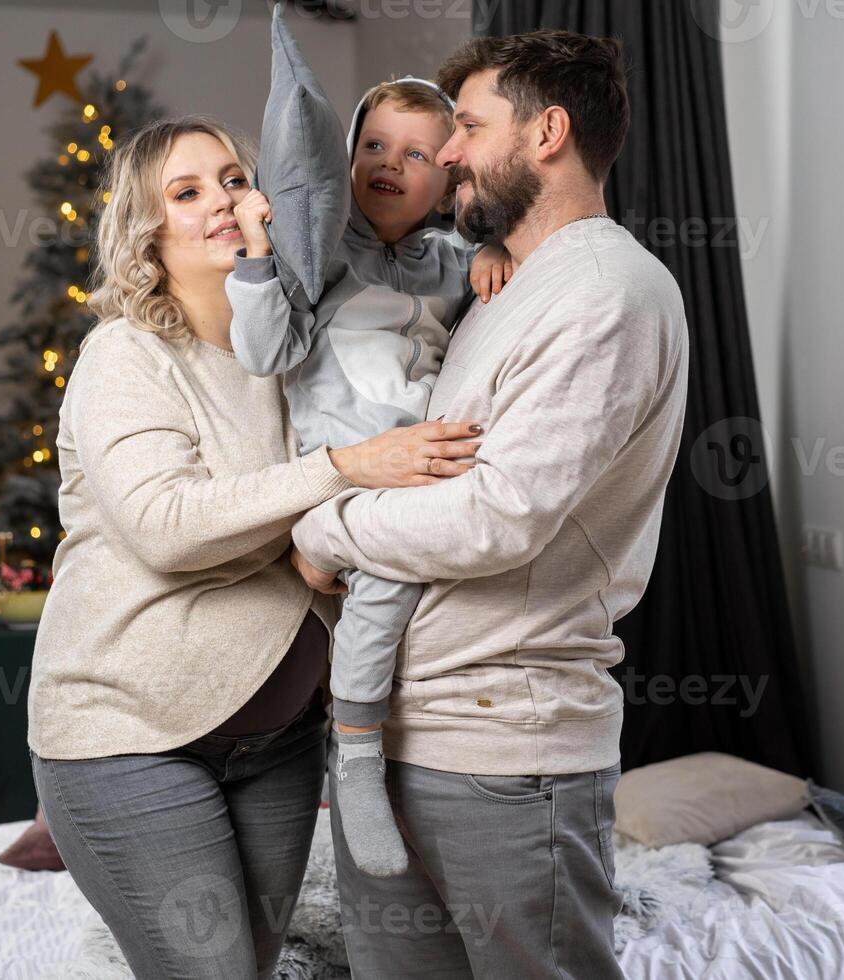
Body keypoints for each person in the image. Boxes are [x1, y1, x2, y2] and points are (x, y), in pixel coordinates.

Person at [25, 114, 482, 980]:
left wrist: (486, 257)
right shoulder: (125, 358)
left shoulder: (295, 349)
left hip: (277, 745)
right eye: (187, 192)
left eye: (234, 179)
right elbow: (169, 526)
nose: (222, 202)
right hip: (129, 741)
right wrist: (342, 469)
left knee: (252, 967)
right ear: (147, 231)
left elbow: (334, 526)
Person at [288, 30, 691, 978]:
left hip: (508, 749)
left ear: (548, 132)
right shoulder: (503, 289)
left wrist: (321, 521)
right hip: (399, 735)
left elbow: (495, 517)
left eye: (468, 125)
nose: (450, 151)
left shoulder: (604, 292)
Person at [226, 3, 510, 879]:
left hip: (419, 470)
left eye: (417, 154)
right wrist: (261, 258)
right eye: (374, 148)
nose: (390, 165)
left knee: (447, 584)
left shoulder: (444, 261)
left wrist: (499, 249)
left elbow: (490, 298)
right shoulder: (322, 257)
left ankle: (385, 749)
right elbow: (264, 350)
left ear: (447, 176)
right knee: (381, 582)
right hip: (342, 479)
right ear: (348, 160)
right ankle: (355, 756)